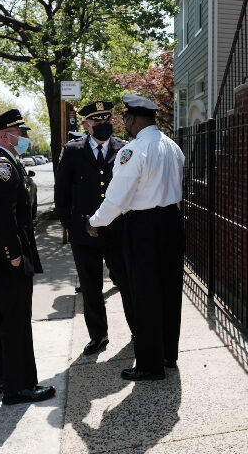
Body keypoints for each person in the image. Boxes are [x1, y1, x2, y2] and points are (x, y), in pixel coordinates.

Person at [87, 94, 185, 381]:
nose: (125, 124)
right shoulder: (172, 146)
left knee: (145, 295)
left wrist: (94, 222)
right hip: (171, 222)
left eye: (126, 118)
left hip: (144, 226)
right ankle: (168, 354)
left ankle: (149, 365)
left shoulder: (134, 150)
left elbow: (117, 198)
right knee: (169, 292)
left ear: (132, 119)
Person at [0, 109, 55, 405]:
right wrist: (14, 255)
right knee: (15, 320)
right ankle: (19, 387)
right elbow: (3, 219)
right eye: (21, 134)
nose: (25, 139)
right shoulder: (0, 167)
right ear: (6, 135)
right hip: (4, 259)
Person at [54, 101, 136, 355]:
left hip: (116, 231)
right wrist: (74, 227)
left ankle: (137, 329)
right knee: (91, 288)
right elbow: (62, 193)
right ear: (87, 124)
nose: (104, 125)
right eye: (98, 122)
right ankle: (98, 335)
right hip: (84, 234)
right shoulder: (72, 151)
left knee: (126, 283)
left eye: (107, 120)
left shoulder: (124, 148)